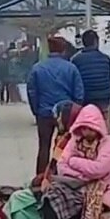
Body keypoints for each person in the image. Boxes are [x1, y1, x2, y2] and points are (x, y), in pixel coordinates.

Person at [27, 36, 85, 175]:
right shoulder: (71, 68)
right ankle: (60, 173)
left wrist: (36, 110)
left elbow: (32, 92)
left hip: (44, 112)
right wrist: (74, 110)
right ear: (63, 50)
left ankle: (41, 176)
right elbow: (79, 93)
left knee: (44, 146)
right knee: (64, 146)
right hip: (65, 114)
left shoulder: (37, 68)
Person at [71, 30, 110, 112]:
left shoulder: (76, 60)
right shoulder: (105, 59)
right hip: (103, 97)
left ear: (83, 43)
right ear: (96, 42)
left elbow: (75, 82)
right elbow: (108, 78)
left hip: (85, 98)